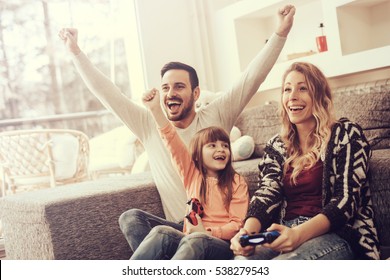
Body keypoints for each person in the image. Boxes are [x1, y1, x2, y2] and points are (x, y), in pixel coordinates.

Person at [58, 4, 295, 254]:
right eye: (166, 87)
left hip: (215, 237)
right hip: (180, 228)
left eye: (179, 86)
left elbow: (251, 77)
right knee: (131, 218)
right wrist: (75, 52)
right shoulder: (149, 122)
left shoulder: (215, 115)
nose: (171, 93)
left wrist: (280, 32)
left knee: (193, 241)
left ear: (195, 93)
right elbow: (107, 93)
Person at [230, 62, 380, 260]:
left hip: (335, 235)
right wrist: (247, 233)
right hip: (284, 231)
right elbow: (267, 192)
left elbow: (345, 201)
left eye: (303, 88)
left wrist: (298, 234)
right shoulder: (276, 145)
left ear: (319, 95)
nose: (292, 96)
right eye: (287, 89)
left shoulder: (346, 135)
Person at [128, 88, 248, 260]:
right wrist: (155, 108)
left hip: (219, 245)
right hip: (189, 238)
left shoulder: (236, 182)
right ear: (198, 154)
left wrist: (206, 231)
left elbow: (238, 225)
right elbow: (171, 140)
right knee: (133, 218)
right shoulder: (192, 173)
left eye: (225, 145)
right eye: (212, 145)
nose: (221, 149)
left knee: (195, 239)